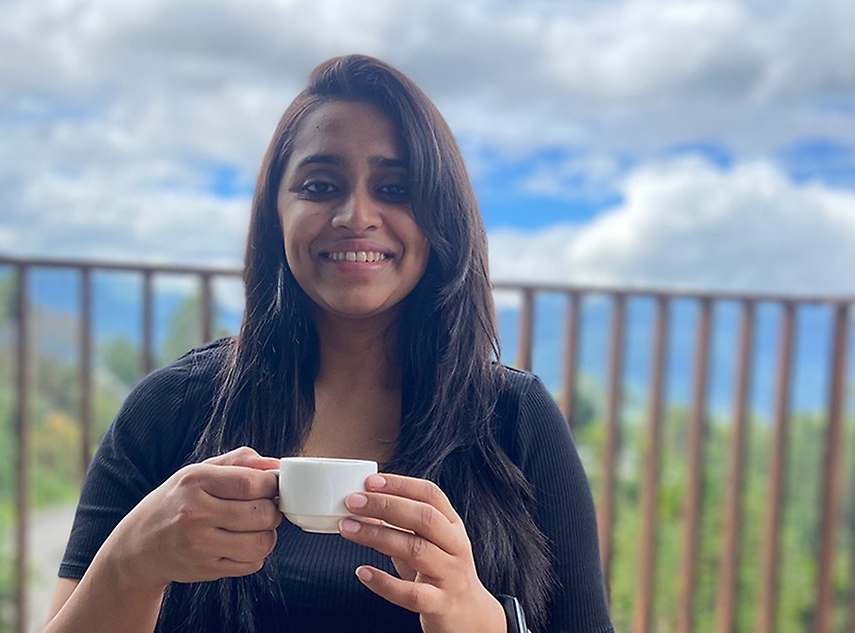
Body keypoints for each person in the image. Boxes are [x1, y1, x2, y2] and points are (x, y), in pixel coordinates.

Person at [44, 54, 613, 633]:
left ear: (442, 216)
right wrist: (129, 564)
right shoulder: (172, 409)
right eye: (321, 186)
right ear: (277, 213)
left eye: (395, 188)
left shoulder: (515, 420)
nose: (356, 215)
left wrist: (481, 622)